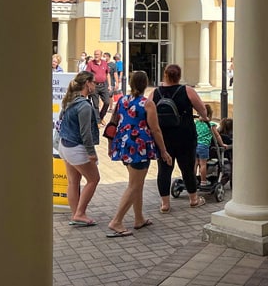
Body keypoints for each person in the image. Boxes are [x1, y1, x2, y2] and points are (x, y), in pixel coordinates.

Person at [106, 70, 172, 238]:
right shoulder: (147, 104)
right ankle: (116, 221)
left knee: (137, 183)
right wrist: (163, 151)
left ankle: (139, 218)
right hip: (139, 146)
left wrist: (110, 145)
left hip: (124, 144)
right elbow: (155, 129)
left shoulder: (121, 100)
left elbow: (112, 123)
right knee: (134, 185)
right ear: (145, 84)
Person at [150, 63, 210, 212]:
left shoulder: (156, 92)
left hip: (164, 137)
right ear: (179, 76)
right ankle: (193, 199)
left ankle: (165, 204)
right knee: (187, 168)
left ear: (165, 75)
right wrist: (204, 118)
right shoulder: (187, 90)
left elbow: (147, 110)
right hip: (185, 136)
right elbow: (202, 109)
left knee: (164, 170)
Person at [57, 71, 100, 227]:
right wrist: (91, 153)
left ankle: (76, 215)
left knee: (73, 182)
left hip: (65, 145)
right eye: (94, 82)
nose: (96, 85)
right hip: (76, 148)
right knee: (94, 179)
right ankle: (80, 213)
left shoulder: (69, 101)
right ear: (87, 83)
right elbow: (85, 133)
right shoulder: (84, 106)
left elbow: (61, 120)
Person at [195, 104, 225, 188]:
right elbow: (217, 136)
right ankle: (203, 181)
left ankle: (193, 180)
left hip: (195, 145)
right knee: (203, 164)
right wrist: (222, 144)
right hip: (203, 146)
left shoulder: (196, 123)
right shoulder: (211, 124)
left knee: (195, 163)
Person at [85, 50, 111, 123]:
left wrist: (109, 85)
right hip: (94, 85)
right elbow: (88, 75)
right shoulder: (90, 63)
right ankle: (98, 121)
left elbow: (108, 74)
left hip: (103, 85)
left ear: (101, 55)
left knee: (107, 102)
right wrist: (89, 85)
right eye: (95, 54)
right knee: (95, 104)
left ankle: (101, 116)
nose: (96, 56)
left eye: (97, 54)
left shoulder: (104, 63)